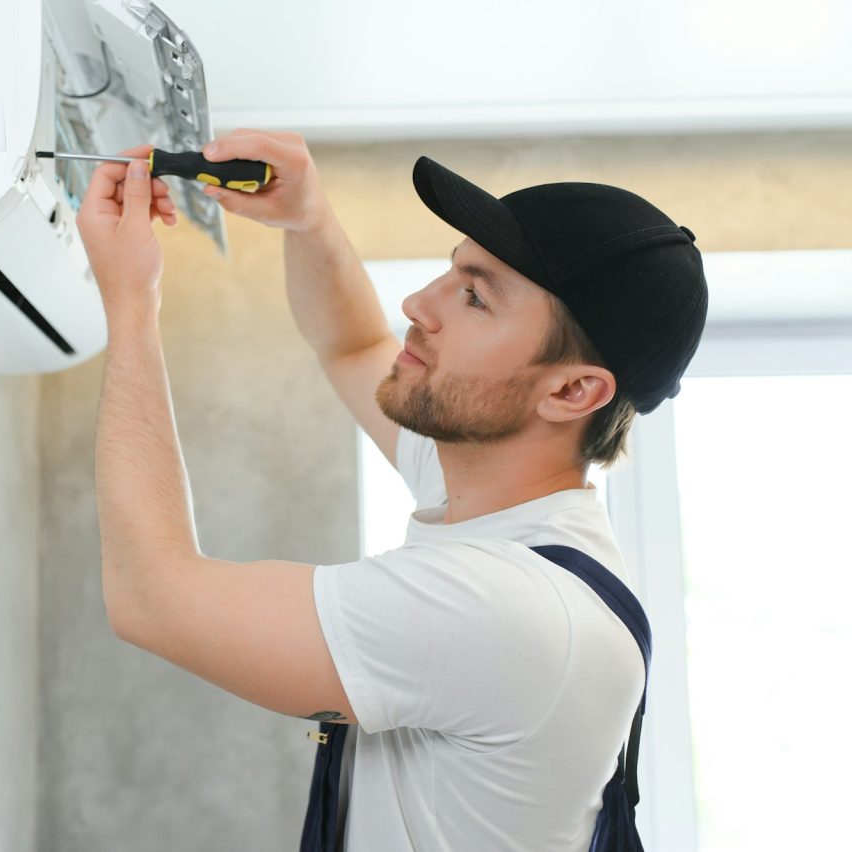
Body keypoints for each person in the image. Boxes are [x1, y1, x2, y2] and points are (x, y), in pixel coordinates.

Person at [75, 130, 707, 851]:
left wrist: (131, 302)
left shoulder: (506, 608)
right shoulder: (505, 507)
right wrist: (307, 218)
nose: (419, 303)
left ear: (570, 390)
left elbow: (152, 599)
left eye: (473, 296)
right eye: (452, 269)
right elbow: (353, 346)